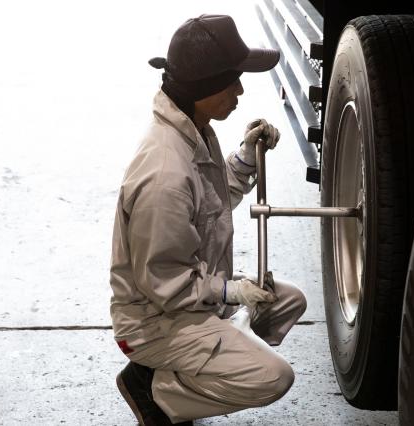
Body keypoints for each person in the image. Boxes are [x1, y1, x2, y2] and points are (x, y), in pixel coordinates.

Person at [109, 14, 307, 426]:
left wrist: (245, 158)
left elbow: (210, 206)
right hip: (155, 322)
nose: (240, 90)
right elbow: (166, 284)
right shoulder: (164, 173)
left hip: (189, 303)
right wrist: (231, 291)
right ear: (204, 88)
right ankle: (156, 391)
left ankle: (206, 364)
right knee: (274, 378)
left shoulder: (194, 129)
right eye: (232, 80)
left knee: (288, 301)